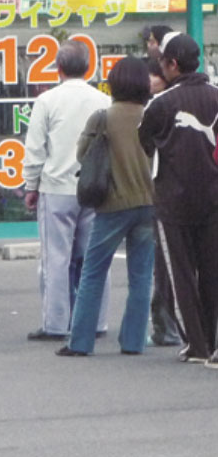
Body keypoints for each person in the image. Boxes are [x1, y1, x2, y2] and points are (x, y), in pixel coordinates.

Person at [57, 57, 156, 357]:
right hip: (150, 204)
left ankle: (81, 342)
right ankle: (134, 341)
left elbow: (82, 155)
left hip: (112, 204)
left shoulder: (102, 118)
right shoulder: (152, 116)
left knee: (93, 272)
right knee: (141, 277)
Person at [22, 41, 110, 341]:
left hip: (56, 187)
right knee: (94, 257)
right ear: (88, 67)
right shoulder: (102, 100)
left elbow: (35, 148)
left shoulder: (47, 101)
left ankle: (55, 323)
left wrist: (30, 185)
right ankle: (96, 321)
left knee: (56, 258)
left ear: (57, 67)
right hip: (96, 187)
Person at [138, 33, 218, 365]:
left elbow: (144, 140)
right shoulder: (216, 95)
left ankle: (198, 345)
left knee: (180, 274)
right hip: (214, 198)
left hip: (174, 201)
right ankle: (213, 343)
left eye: (163, 63)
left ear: (172, 64)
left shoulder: (162, 103)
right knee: (213, 270)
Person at [145, 55, 181, 347]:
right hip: (187, 194)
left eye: (154, 74)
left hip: (167, 195)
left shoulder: (159, 107)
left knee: (167, 263)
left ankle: (168, 325)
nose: (150, 80)